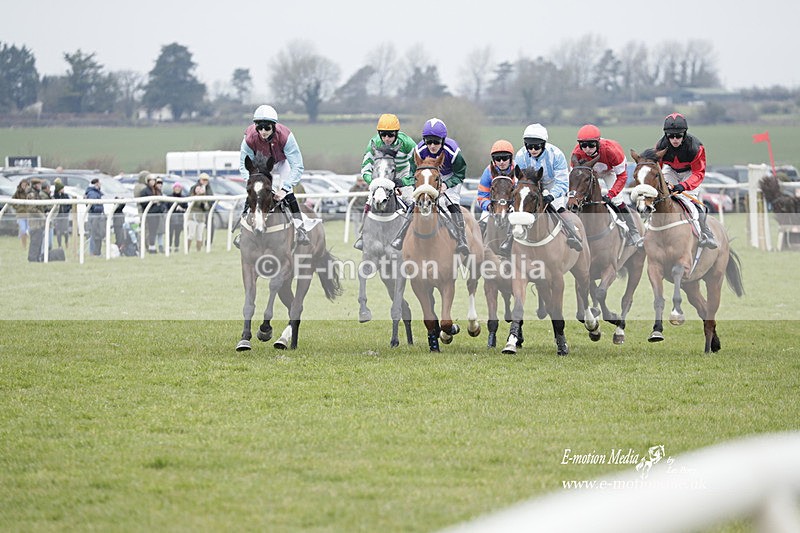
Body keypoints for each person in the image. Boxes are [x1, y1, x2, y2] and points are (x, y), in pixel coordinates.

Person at [391, 118, 470, 256]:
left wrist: (447, 184)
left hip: (449, 177)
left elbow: (460, 173)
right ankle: (400, 236)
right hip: (427, 177)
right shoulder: (419, 150)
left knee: (451, 202)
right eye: (428, 141)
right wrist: (402, 182)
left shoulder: (453, 152)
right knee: (416, 203)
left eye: (436, 142)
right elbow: (413, 173)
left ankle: (462, 239)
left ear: (443, 140)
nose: (432, 145)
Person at [234, 104, 309, 248]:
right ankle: (242, 230)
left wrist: (285, 189)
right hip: (261, 165)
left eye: (267, 127)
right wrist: (250, 181)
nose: (263, 131)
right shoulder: (249, 139)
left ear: (274, 126)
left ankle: (300, 229)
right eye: (259, 127)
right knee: (254, 191)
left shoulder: (286, 137)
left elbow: (298, 166)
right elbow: (244, 165)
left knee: (288, 193)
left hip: (281, 162)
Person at [572, 124, 643, 248]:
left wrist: (610, 195)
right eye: (583, 145)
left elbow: (622, 177)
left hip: (611, 171)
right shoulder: (577, 153)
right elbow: (576, 176)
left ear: (598, 143)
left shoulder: (611, 151)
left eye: (591, 145)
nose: (587, 149)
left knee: (617, 200)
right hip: (590, 172)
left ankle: (633, 232)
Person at [353, 113, 417, 250]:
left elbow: (417, 166)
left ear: (397, 133)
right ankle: (363, 235)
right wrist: (375, 182)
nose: (387, 138)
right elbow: (365, 168)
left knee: (411, 201)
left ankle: (411, 236)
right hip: (381, 175)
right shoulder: (374, 143)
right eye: (383, 135)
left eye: (390, 135)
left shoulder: (408, 143)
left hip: (402, 172)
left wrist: (405, 181)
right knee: (371, 199)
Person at [516, 123, 583, 253]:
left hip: (552, 185)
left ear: (544, 144)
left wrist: (551, 195)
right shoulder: (520, 156)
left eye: (537, 147)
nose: (533, 150)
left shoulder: (557, 155)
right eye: (529, 146)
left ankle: (573, 234)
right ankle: (508, 239)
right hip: (531, 186)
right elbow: (520, 181)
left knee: (558, 207)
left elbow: (563, 182)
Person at [655, 112, 718, 249]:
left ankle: (706, 233)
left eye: (679, 135)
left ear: (685, 134)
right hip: (670, 170)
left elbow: (698, 172)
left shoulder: (695, 147)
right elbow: (656, 170)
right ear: (666, 135)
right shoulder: (660, 146)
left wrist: (684, 186)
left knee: (690, 201)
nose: (675, 139)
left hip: (690, 173)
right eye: (671, 136)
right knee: (661, 197)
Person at [476, 139, 516, 238]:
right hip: (493, 205)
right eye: (498, 159)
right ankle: (479, 243)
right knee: (482, 221)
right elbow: (482, 196)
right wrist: (489, 206)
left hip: (512, 205)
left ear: (510, 158)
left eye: (505, 158)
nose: (501, 162)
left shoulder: (518, 170)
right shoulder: (488, 171)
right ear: (494, 160)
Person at [26, 178, 47, 262]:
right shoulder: (32, 195)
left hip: (39, 223)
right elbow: (31, 208)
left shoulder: (37, 194)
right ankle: (32, 259)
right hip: (35, 223)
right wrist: (42, 215)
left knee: (38, 242)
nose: (40, 186)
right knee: (35, 242)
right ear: (35, 185)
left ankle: (37, 258)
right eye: (39, 184)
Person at [85, 178, 105, 257]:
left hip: (95, 216)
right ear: (96, 184)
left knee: (96, 235)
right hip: (94, 216)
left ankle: (96, 252)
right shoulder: (93, 193)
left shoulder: (94, 192)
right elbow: (93, 207)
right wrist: (101, 208)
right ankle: (93, 252)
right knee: (94, 235)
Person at [187, 183, 209, 251]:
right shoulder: (192, 196)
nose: (199, 190)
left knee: (200, 235)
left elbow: (206, 207)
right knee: (191, 234)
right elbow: (195, 203)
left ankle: (198, 250)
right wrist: (199, 195)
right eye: (197, 189)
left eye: (200, 189)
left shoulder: (204, 198)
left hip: (201, 219)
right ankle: (187, 249)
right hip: (192, 218)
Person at [53, 178, 72, 249]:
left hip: (65, 216)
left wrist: (66, 211)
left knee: (66, 231)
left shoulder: (66, 196)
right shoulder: (55, 196)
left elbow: (69, 205)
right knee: (58, 232)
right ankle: (59, 245)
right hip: (58, 217)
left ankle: (67, 243)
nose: (63, 190)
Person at [12, 179, 31, 250]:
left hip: (29, 215)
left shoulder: (30, 192)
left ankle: (28, 245)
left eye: (25, 185)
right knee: (23, 230)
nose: (24, 186)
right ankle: (24, 246)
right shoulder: (18, 193)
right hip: (20, 215)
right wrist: (18, 207)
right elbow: (12, 201)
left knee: (28, 231)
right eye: (22, 185)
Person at [169, 182, 188, 252]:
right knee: (170, 234)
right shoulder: (169, 197)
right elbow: (166, 207)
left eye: (179, 187)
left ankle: (177, 247)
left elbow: (186, 208)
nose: (177, 189)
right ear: (173, 188)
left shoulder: (183, 198)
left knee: (177, 234)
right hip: (171, 219)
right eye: (176, 187)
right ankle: (169, 247)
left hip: (180, 219)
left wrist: (181, 209)